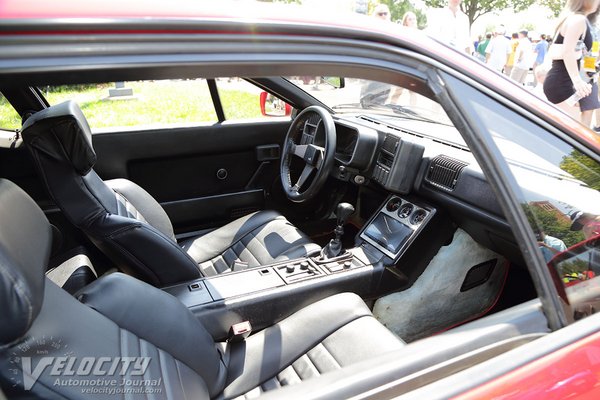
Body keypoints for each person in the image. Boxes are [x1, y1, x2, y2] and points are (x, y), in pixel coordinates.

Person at [543, 0, 600, 120]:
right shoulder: (578, 20)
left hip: (565, 82)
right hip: (562, 84)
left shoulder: (576, 19)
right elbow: (567, 51)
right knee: (568, 133)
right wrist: (577, 81)